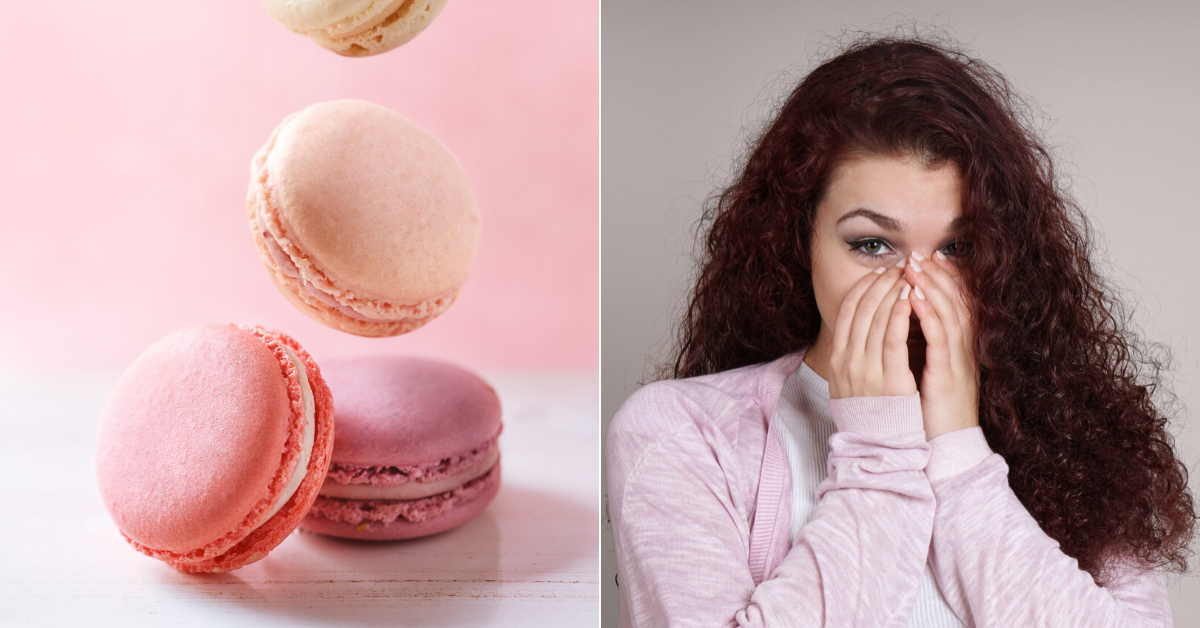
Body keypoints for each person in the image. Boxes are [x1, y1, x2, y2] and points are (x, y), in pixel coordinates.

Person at [605, 35, 1195, 627]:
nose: (915, 286)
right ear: (801, 241)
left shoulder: (1076, 440)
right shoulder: (682, 433)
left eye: (957, 248)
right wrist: (878, 451)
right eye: (872, 244)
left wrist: (960, 454)